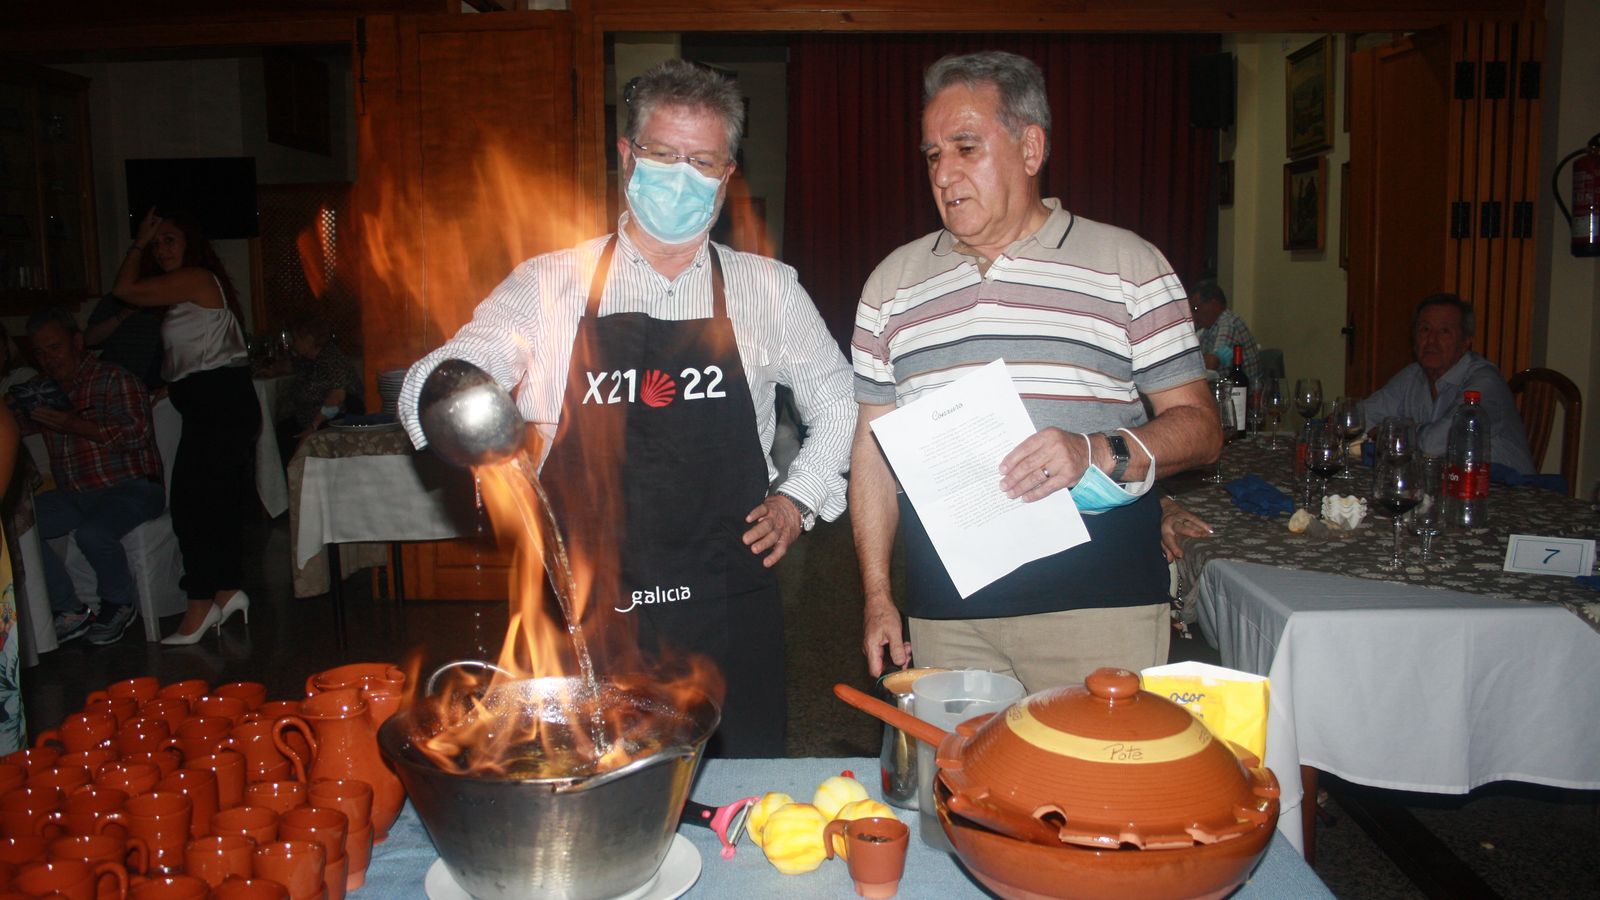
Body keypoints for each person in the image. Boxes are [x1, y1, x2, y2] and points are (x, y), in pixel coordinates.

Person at [397, 60, 854, 757]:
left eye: (702, 161)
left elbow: (839, 396)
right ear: (627, 156)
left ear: (727, 174)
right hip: (587, 612)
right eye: (663, 155)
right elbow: (452, 367)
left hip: (727, 601)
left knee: (741, 785)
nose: (681, 176)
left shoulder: (768, 290)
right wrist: (455, 394)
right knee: (593, 778)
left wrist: (799, 497)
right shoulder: (550, 284)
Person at [851, 51, 1220, 691]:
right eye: (933, 155)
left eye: (966, 148)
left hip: (1098, 608)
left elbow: (1201, 429)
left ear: (1030, 149)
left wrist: (1093, 451)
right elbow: (872, 452)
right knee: (961, 764)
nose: (944, 173)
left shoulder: (1128, 264)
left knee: (1097, 761)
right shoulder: (891, 285)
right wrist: (879, 596)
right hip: (946, 614)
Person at [113, 209, 259, 645]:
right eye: (156, 244)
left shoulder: (196, 278)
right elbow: (194, 357)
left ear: (190, 244)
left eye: (168, 240)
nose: (160, 249)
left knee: (193, 507)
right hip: (214, 403)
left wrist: (137, 242)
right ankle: (226, 590)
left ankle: (200, 603)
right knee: (214, 505)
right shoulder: (185, 292)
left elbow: (123, 290)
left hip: (220, 405)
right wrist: (172, 388)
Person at [24, 308, 165, 647]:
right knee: (20, 527)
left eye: (55, 348)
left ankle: (118, 603)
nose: (48, 359)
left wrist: (73, 424)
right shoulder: (40, 391)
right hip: (74, 493)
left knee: (93, 532)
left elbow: (137, 435)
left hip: (132, 486)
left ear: (77, 342)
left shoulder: (114, 379)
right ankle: (69, 609)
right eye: (40, 353)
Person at [1357, 293, 1535, 474]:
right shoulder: (1413, 375)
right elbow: (1360, 418)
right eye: (1425, 329)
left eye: (1444, 331)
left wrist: (1391, 432)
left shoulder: (1485, 382)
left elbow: (1435, 444)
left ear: (1465, 341)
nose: (1431, 340)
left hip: (1504, 486)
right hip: (1448, 484)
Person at [275, 316, 364, 463]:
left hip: (333, 420)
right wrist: (272, 370)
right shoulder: (308, 360)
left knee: (292, 440)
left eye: (296, 339)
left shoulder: (331, 360)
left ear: (309, 339)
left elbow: (336, 398)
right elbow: (291, 366)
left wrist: (313, 426)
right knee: (282, 430)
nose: (293, 343)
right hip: (307, 418)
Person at [84, 293, 166, 390]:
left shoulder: (169, 296)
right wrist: (123, 314)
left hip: (158, 382)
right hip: (118, 382)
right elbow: (89, 340)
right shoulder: (114, 299)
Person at [1189, 278, 1261, 384]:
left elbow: (1211, 364)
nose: (1193, 316)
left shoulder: (1228, 323)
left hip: (1243, 392)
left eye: (1195, 309)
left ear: (1214, 304)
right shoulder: (1207, 329)